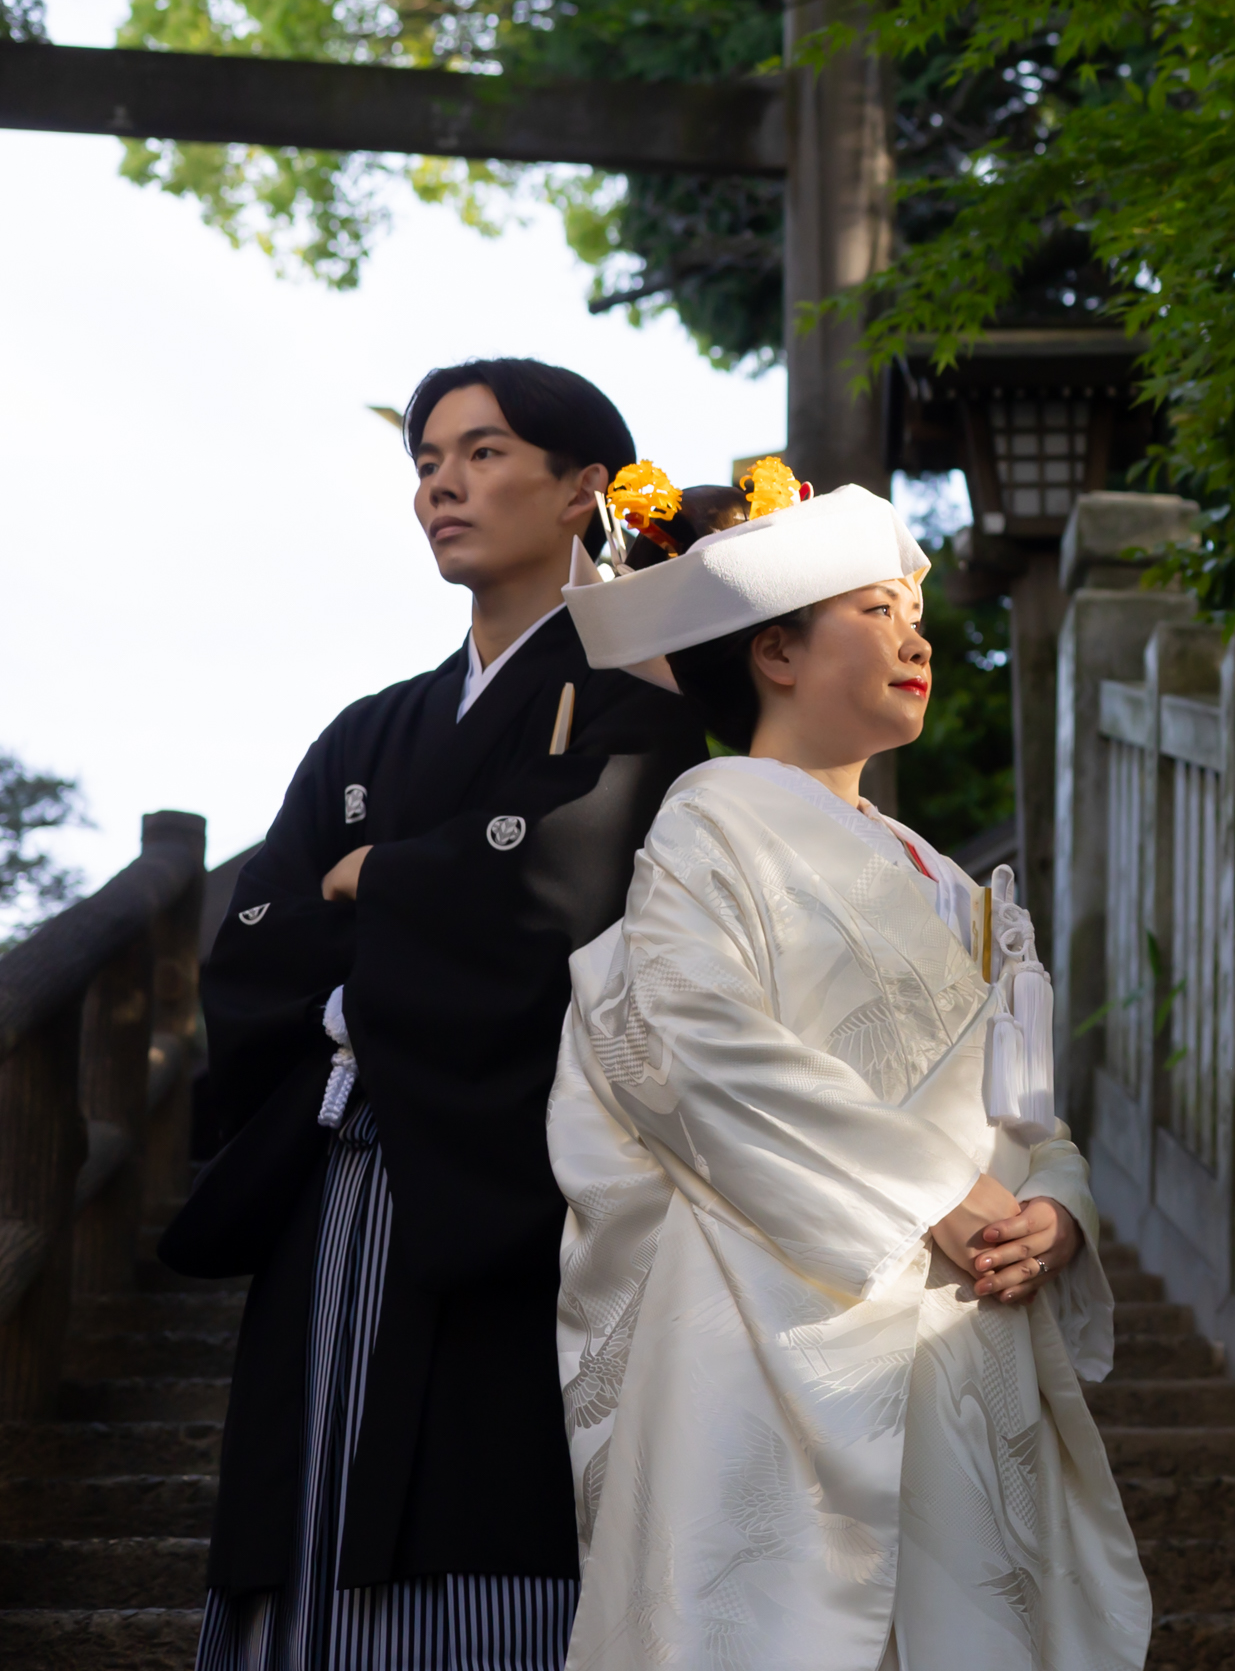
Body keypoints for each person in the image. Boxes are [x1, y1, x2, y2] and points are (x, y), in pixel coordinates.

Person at [546, 470, 1151, 1671]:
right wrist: (930, 1195)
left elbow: (1022, 1102)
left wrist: (1055, 1211)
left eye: (914, 616)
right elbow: (699, 1049)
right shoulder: (708, 819)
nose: (916, 638)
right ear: (775, 651)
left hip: (961, 1303)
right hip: (773, 1306)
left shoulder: (951, 878)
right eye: (878, 612)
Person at [164, 361, 712, 1669]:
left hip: (519, 1181)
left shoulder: (636, 711)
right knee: (307, 1482)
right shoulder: (371, 731)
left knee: (492, 1484)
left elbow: (555, 898)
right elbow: (251, 938)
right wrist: (420, 897)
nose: (442, 485)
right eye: (425, 461)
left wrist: (377, 888)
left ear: (587, 490)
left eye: (482, 452)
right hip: (333, 1167)